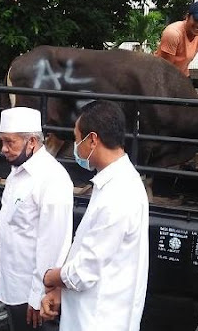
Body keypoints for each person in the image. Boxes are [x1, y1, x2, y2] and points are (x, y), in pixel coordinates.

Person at [40, 100, 149, 331]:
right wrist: (61, 290)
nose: (76, 147)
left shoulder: (119, 193)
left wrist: (50, 278)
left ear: (92, 139)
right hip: (90, 313)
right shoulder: (112, 182)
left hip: (99, 319)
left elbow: (83, 271)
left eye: (77, 139)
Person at [0, 107, 74, 331]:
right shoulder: (17, 170)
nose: (4, 149)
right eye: (2, 141)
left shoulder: (52, 178)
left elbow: (54, 243)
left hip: (33, 293)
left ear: (31, 141)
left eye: (10, 142)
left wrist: (39, 294)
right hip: (12, 283)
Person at [155, 0, 198, 98]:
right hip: (160, 75)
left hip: (183, 76)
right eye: (196, 20)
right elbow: (167, 68)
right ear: (187, 17)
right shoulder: (173, 33)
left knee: (192, 107)